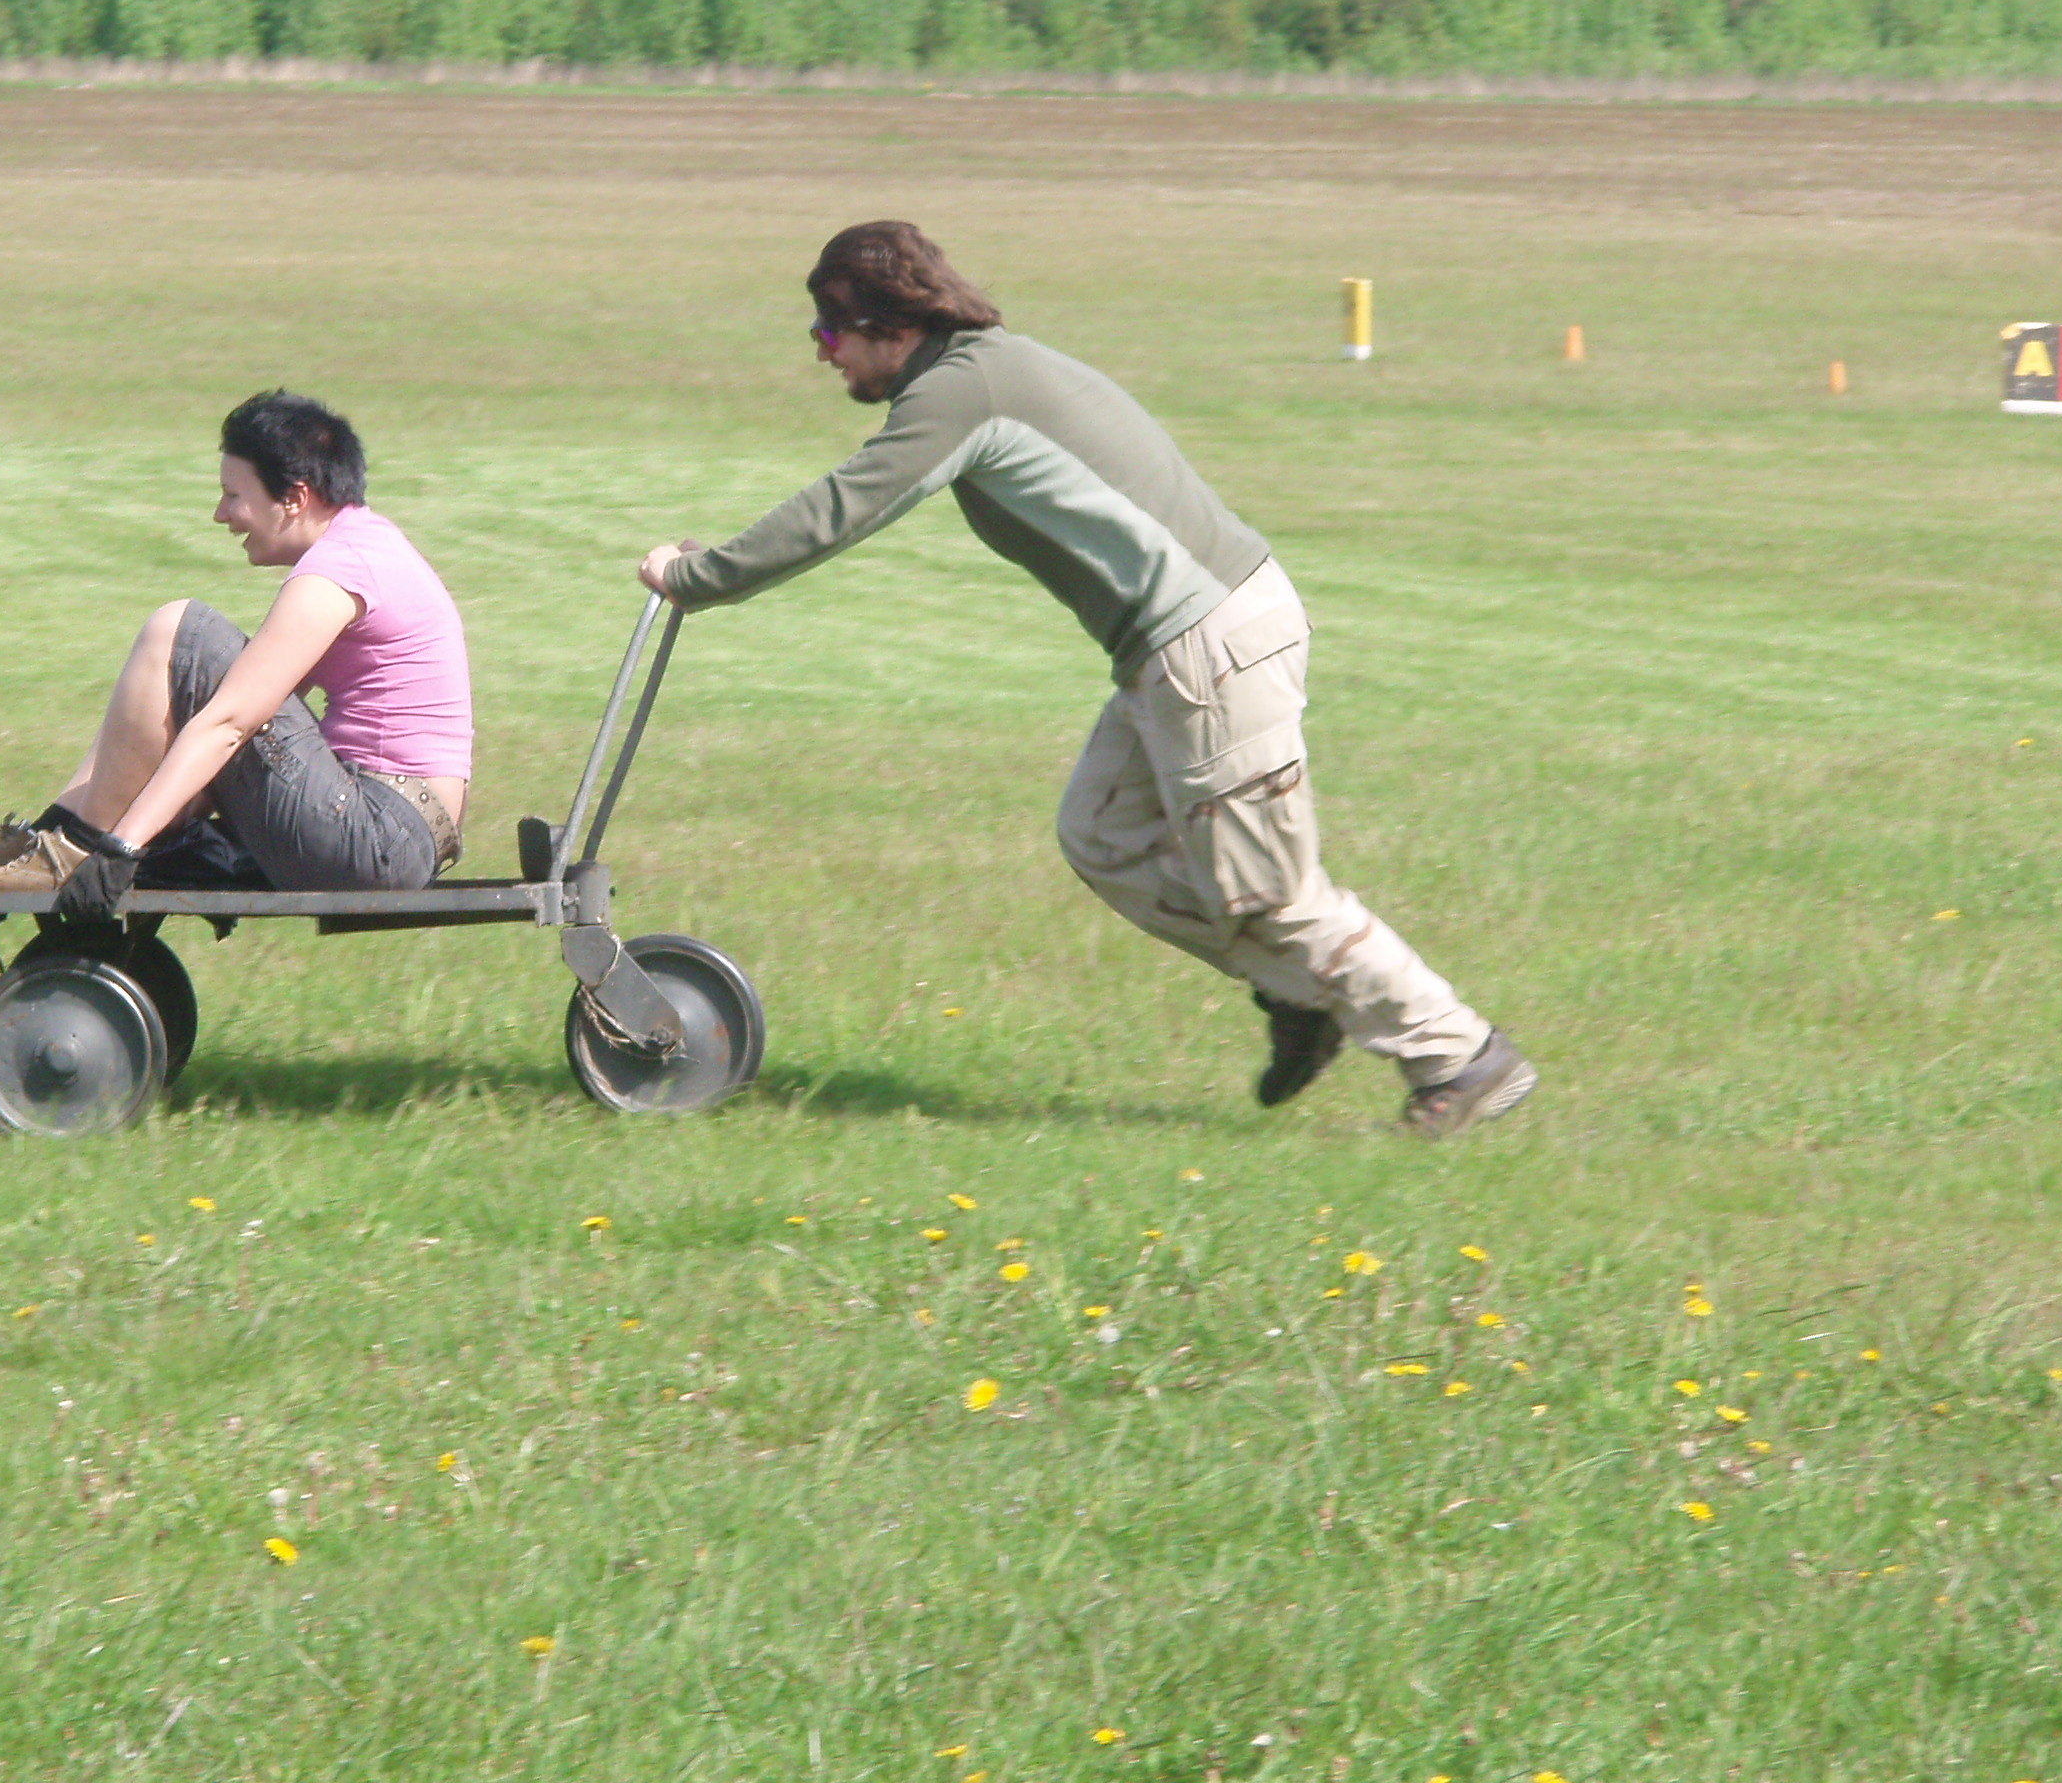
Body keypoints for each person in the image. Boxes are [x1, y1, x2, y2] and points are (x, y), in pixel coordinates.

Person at [636, 222, 1535, 1137]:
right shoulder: (985, 367)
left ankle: (1461, 1055)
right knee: (1104, 836)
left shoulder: (961, 392)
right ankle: (1295, 990)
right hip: (1178, 650)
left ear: (888, 326)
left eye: (829, 334)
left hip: (1209, 647)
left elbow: (845, 507)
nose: (825, 356)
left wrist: (695, 576)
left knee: (1274, 895)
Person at [0, 389, 471, 922]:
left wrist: (121, 847)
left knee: (180, 631)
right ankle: (53, 841)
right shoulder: (363, 549)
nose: (221, 515)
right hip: (387, 834)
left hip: (379, 837)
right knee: (188, 668)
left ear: (294, 497)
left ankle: (69, 850)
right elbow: (227, 735)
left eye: (233, 496)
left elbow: (230, 725)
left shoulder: (339, 572)